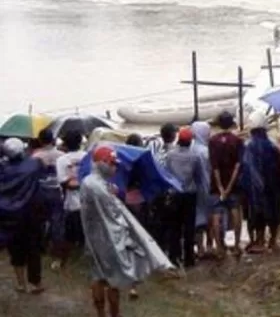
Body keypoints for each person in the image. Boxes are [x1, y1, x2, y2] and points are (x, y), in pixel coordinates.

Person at [81, 146, 173, 317]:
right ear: (102, 163)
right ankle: (111, 314)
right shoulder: (96, 186)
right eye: (112, 164)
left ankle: (102, 313)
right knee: (112, 279)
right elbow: (115, 214)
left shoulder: (93, 182)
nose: (115, 168)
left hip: (93, 235)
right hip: (107, 238)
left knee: (98, 276)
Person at [1, 138, 45, 294]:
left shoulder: (3, 168)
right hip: (31, 213)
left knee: (15, 249)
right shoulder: (34, 164)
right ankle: (35, 283)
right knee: (33, 249)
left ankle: (21, 284)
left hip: (8, 215)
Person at [243, 111, 280, 253]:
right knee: (274, 212)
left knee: (257, 214)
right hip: (273, 185)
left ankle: (260, 241)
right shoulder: (273, 143)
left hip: (256, 187)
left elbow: (247, 167)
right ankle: (273, 241)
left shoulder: (248, 145)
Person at [164, 127, 202, 268]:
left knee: (175, 227)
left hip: (174, 193)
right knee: (189, 227)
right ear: (190, 141)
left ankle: (175, 257)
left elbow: (167, 173)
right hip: (189, 194)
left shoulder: (170, 155)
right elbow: (198, 175)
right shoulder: (195, 156)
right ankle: (189, 259)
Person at [208, 111, 244, 258]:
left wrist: (221, 187)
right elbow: (237, 165)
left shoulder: (212, 141)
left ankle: (219, 248)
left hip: (217, 185)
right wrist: (229, 187)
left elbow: (214, 166)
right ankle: (236, 245)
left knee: (216, 214)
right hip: (233, 184)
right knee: (235, 211)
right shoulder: (237, 140)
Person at [31, 129, 65, 267]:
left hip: (40, 192)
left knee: (39, 221)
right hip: (57, 191)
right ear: (53, 140)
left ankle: (40, 248)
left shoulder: (36, 156)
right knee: (57, 222)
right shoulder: (61, 155)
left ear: (40, 140)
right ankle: (57, 256)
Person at [55, 130, 87, 266]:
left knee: (68, 234)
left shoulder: (62, 160)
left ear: (65, 144)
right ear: (80, 143)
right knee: (87, 231)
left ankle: (63, 261)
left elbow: (64, 183)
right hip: (88, 201)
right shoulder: (87, 157)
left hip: (72, 203)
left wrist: (73, 182)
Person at [190, 121, 213, 259]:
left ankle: (200, 247)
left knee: (197, 218)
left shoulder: (191, 149)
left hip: (193, 188)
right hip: (207, 187)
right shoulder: (205, 151)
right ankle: (209, 244)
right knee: (208, 216)